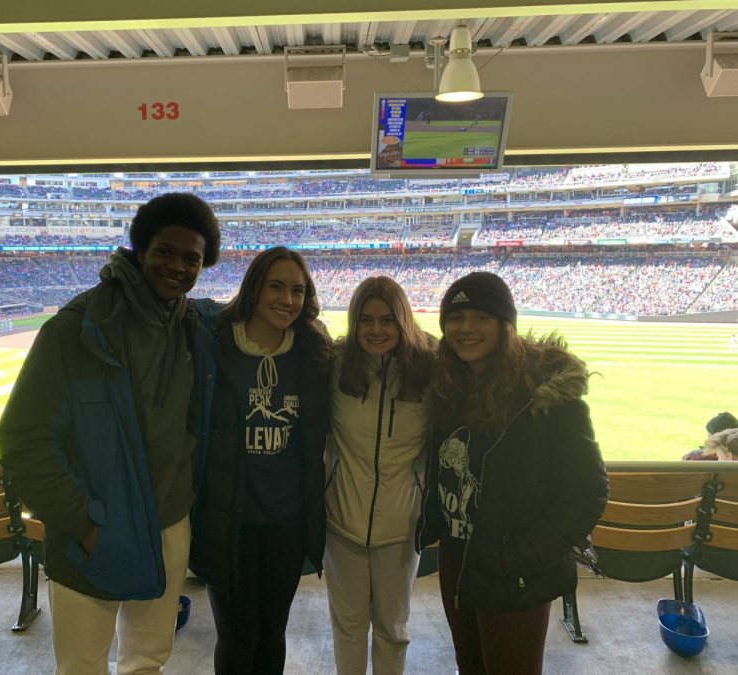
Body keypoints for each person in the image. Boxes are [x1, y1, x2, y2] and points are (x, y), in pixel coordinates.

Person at [0, 192, 221, 675]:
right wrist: (84, 524)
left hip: (169, 523)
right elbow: (22, 437)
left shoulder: (196, 329)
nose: (178, 266)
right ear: (141, 251)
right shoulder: (76, 328)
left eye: (192, 258)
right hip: (94, 529)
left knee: (148, 660)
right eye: (166, 251)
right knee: (81, 665)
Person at [419, 271, 608, 675]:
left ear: (506, 325)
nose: (466, 328)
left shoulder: (546, 395)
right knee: (469, 666)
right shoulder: (448, 386)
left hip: (513, 572)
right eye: (455, 318)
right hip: (458, 559)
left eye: (481, 316)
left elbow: (588, 491)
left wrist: (521, 557)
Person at [189, 246, 331, 675]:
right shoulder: (214, 345)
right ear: (254, 288)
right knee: (237, 638)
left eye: (297, 290)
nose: (287, 299)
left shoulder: (312, 353)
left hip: (287, 525)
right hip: (229, 522)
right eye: (276, 286)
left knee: (272, 635)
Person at [323, 276, 437, 675]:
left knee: (392, 629)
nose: (376, 330)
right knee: (348, 628)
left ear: (403, 320)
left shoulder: (430, 370)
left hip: (401, 529)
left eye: (387, 320)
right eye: (366, 320)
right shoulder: (336, 366)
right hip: (341, 525)